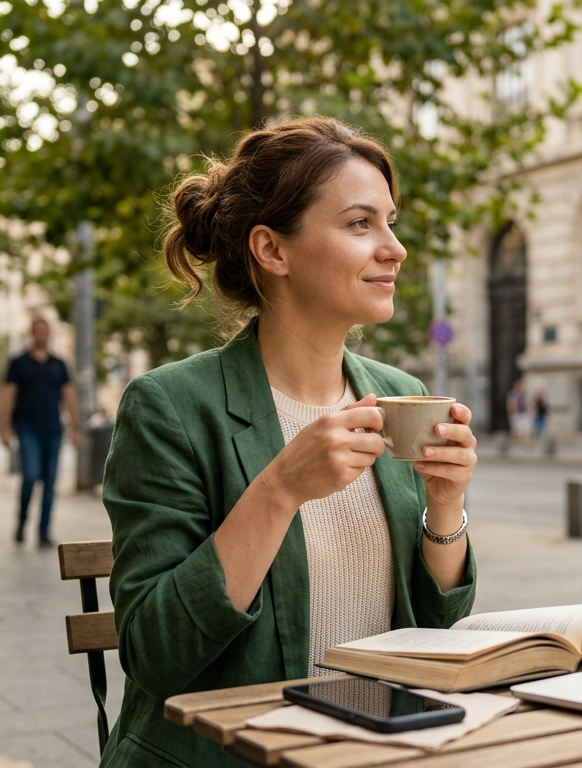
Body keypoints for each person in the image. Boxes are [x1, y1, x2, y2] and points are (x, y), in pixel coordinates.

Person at [99, 117, 479, 766]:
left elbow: (433, 639)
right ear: (273, 251)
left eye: (391, 222)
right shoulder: (170, 407)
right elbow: (155, 652)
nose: (395, 248)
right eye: (361, 224)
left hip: (375, 750)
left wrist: (445, 506)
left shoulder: (399, 393)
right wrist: (278, 489)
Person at [0, 317, 81, 547]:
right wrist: (4, 427)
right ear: (32, 333)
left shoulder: (59, 364)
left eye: (46, 330)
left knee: (50, 483)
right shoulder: (18, 363)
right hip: (26, 428)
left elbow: (69, 396)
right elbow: (7, 395)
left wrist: (76, 427)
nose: (42, 334)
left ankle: (44, 531)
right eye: (38, 330)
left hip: (54, 430)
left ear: (50, 334)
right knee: (31, 476)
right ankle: (22, 521)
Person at [506, 378, 530, 442]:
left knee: (524, 429)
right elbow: (509, 404)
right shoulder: (512, 394)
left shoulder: (523, 394)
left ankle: (523, 441)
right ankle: (513, 441)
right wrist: (510, 413)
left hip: (523, 412)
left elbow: (526, 404)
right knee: (515, 429)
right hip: (516, 413)